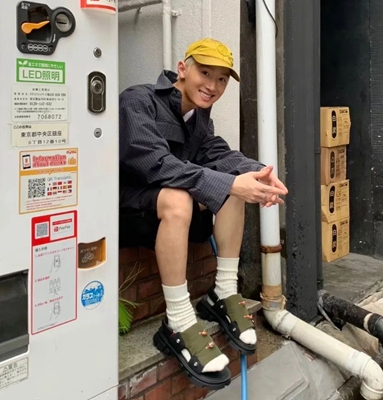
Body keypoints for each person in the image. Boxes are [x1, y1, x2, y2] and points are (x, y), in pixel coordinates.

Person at [119, 38, 288, 389]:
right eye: (205, 73)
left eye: (222, 79)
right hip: (126, 210)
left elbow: (218, 154)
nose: (213, 86)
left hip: (166, 211)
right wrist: (229, 183)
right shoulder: (138, 100)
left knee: (232, 184)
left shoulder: (197, 118)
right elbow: (155, 165)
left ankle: (223, 292)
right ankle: (178, 319)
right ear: (183, 69)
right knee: (188, 197)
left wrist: (258, 174)